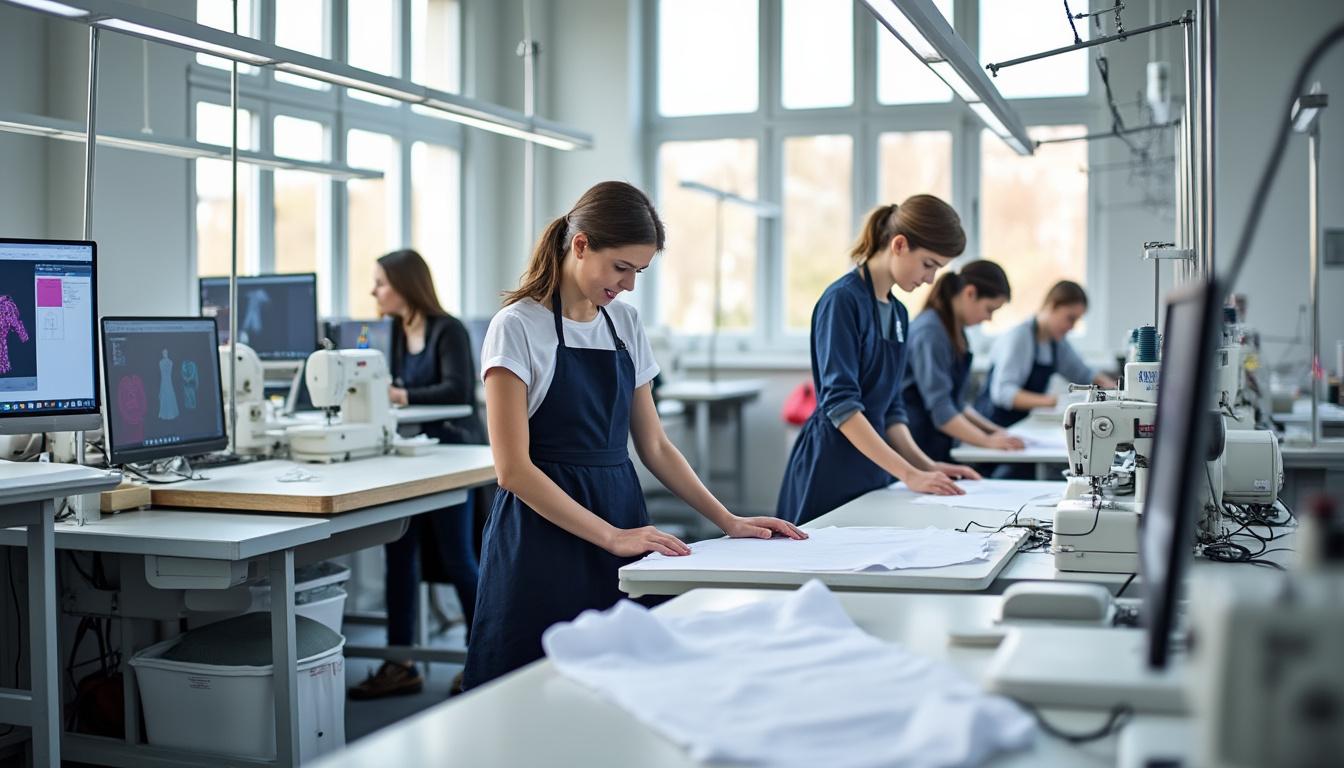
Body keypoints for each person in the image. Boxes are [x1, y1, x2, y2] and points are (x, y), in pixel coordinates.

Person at [465, 181, 804, 689]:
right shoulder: (515, 327)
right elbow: (512, 469)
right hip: (544, 529)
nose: (628, 285)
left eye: (639, 272)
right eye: (621, 268)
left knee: (622, 684)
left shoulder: (624, 323)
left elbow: (656, 446)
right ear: (580, 246)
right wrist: (610, 535)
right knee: (531, 688)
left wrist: (727, 519)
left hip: (620, 512)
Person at [776, 196, 983, 527]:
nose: (931, 280)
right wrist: (908, 473)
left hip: (875, 465)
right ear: (899, 245)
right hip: (832, 465)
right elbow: (842, 406)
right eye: (929, 264)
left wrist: (925, 466)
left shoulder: (899, 313)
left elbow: (891, 408)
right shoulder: (842, 301)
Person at [349, 249, 487, 700]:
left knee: (457, 556)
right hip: (409, 455)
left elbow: (457, 389)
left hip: (450, 454)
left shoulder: (448, 330)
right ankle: (400, 662)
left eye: (381, 283)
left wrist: (398, 394)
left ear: (407, 285)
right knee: (398, 556)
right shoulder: (390, 333)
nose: (375, 292)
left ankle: (482, 656)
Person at [974, 280, 1118, 479]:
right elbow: (1003, 394)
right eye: (1070, 318)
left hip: (1022, 431)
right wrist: (1057, 402)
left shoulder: (1057, 344)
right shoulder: (1020, 337)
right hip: (995, 432)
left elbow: (1086, 375)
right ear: (1052, 307)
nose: (1072, 326)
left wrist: (1116, 392)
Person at [903, 260, 1025, 464]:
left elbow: (956, 405)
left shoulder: (953, 331)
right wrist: (987, 441)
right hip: (918, 446)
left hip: (937, 444)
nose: (989, 318)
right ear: (970, 293)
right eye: (989, 309)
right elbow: (942, 410)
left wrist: (997, 432)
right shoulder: (930, 333)